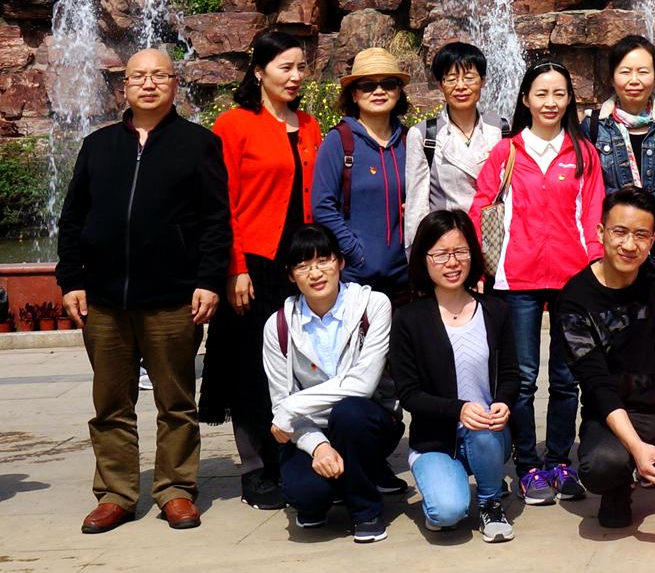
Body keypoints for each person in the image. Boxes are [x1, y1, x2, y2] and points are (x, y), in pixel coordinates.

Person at [55, 47, 229, 534]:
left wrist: (208, 279)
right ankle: (115, 494)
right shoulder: (98, 145)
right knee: (111, 404)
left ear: (175, 83)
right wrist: (71, 279)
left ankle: (176, 490)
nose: (148, 84)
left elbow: (216, 221)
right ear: (125, 86)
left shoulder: (198, 144)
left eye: (159, 75)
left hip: (173, 298)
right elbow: (72, 219)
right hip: (104, 299)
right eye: (138, 77)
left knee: (176, 402)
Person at [470, 60, 604, 507]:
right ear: (525, 98)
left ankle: (560, 461)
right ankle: (528, 465)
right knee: (524, 379)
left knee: (566, 378)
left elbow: (593, 215)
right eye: (542, 93)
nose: (550, 102)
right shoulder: (506, 152)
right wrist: (481, 271)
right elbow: (481, 210)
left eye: (559, 94)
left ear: (570, 100)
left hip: (571, 278)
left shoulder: (583, 153)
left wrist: (595, 270)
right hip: (517, 276)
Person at [205, 29, 323, 510]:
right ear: (259, 71)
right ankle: (255, 467)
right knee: (250, 366)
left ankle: (293, 455)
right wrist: (235, 268)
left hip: (300, 265)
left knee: (296, 364)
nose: (295, 76)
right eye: (285, 67)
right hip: (254, 263)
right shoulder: (234, 124)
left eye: (300, 67)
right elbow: (222, 203)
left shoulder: (309, 125)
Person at [262, 224, 402, 544]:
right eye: (303, 266)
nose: (315, 273)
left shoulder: (373, 306)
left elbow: (362, 384)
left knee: (349, 412)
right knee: (308, 497)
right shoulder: (278, 326)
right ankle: (340, 481)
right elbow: (280, 404)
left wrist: (292, 406)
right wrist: (319, 446)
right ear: (290, 275)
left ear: (340, 262)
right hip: (311, 429)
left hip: (368, 421)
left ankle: (366, 512)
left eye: (323, 260)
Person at [389, 209, 517, 542]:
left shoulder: (496, 310)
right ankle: (448, 481)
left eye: (460, 251)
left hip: (488, 434)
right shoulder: (408, 319)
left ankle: (490, 502)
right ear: (424, 258)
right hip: (435, 441)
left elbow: (510, 374)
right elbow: (409, 393)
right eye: (441, 254)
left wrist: (504, 401)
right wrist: (458, 410)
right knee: (447, 513)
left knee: (483, 428)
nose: (452, 262)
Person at [559, 186, 655, 530]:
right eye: (620, 232)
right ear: (601, 232)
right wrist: (637, 447)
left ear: (653, 239)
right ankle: (619, 486)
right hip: (618, 410)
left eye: (641, 235)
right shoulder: (575, 299)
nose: (629, 245)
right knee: (602, 465)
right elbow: (597, 385)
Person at [311, 48, 411, 297]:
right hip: (354, 280)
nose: (379, 91)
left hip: (405, 278)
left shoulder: (410, 140)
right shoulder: (339, 141)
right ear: (354, 95)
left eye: (388, 84)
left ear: (399, 91)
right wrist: (355, 253)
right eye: (367, 86)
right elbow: (322, 206)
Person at [404, 42, 503, 249]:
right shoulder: (424, 135)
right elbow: (416, 206)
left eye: (469, 78)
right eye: (451, 79)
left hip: (494, 243)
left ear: (483, 81)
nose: (460, 86)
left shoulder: (501, 129)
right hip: (448, 245)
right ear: (441, 85)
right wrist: (417, 254)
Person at [583, 35, 655, 201]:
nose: (634, 80)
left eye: (643, 72)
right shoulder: (593, 126)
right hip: (611, 218)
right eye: (625, 72)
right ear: (612, 78)